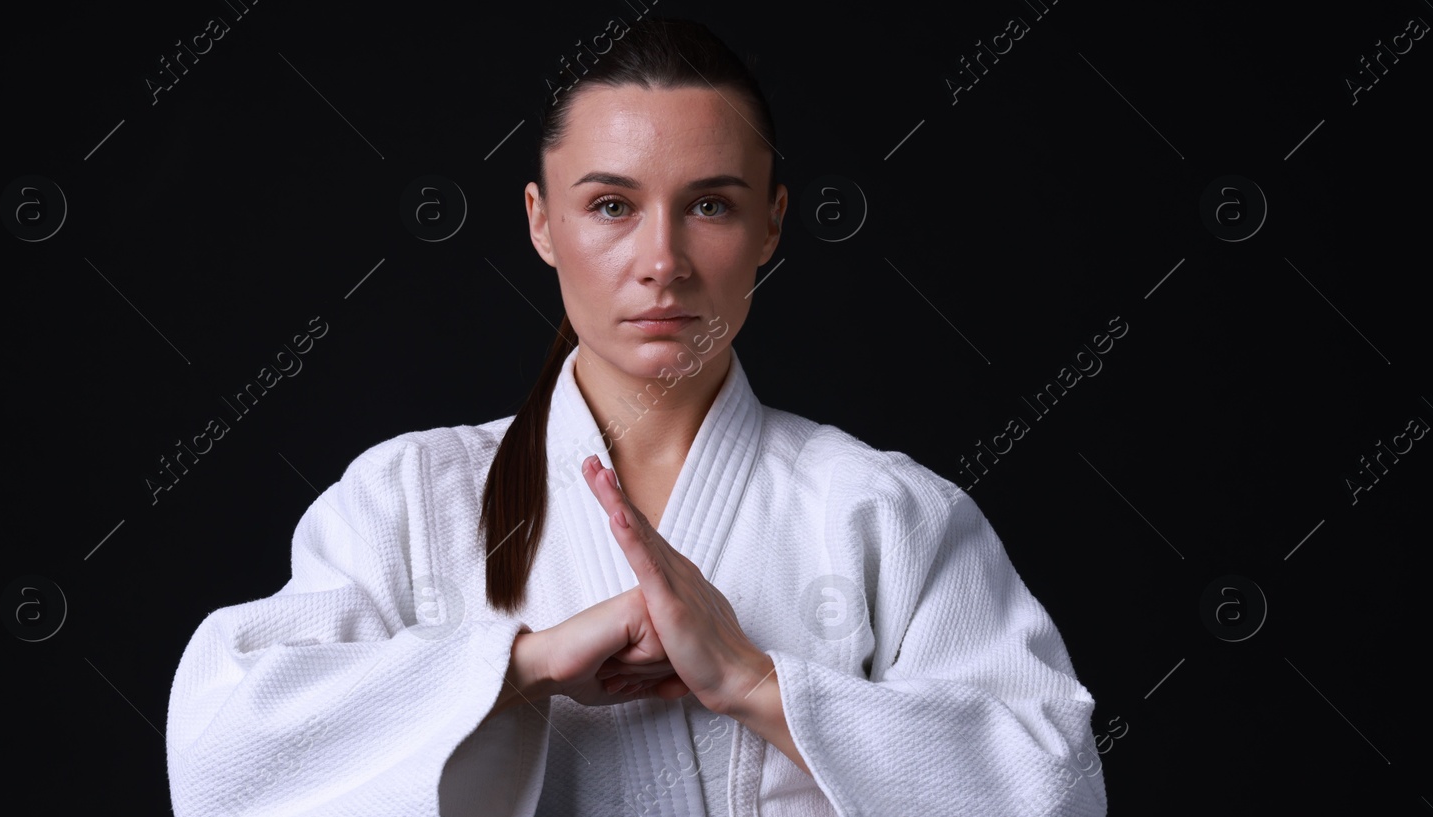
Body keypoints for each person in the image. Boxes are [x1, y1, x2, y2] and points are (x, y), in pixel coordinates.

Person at [164, 17, 1108, 817]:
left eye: (710, 205)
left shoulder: (888, 513)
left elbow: (1056, 782)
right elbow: (221, 755)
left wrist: (754, 683)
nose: (663, 259)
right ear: (541, 222)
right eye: (611, 204)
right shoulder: (409, 498)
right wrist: (518, 668)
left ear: (772, 225)